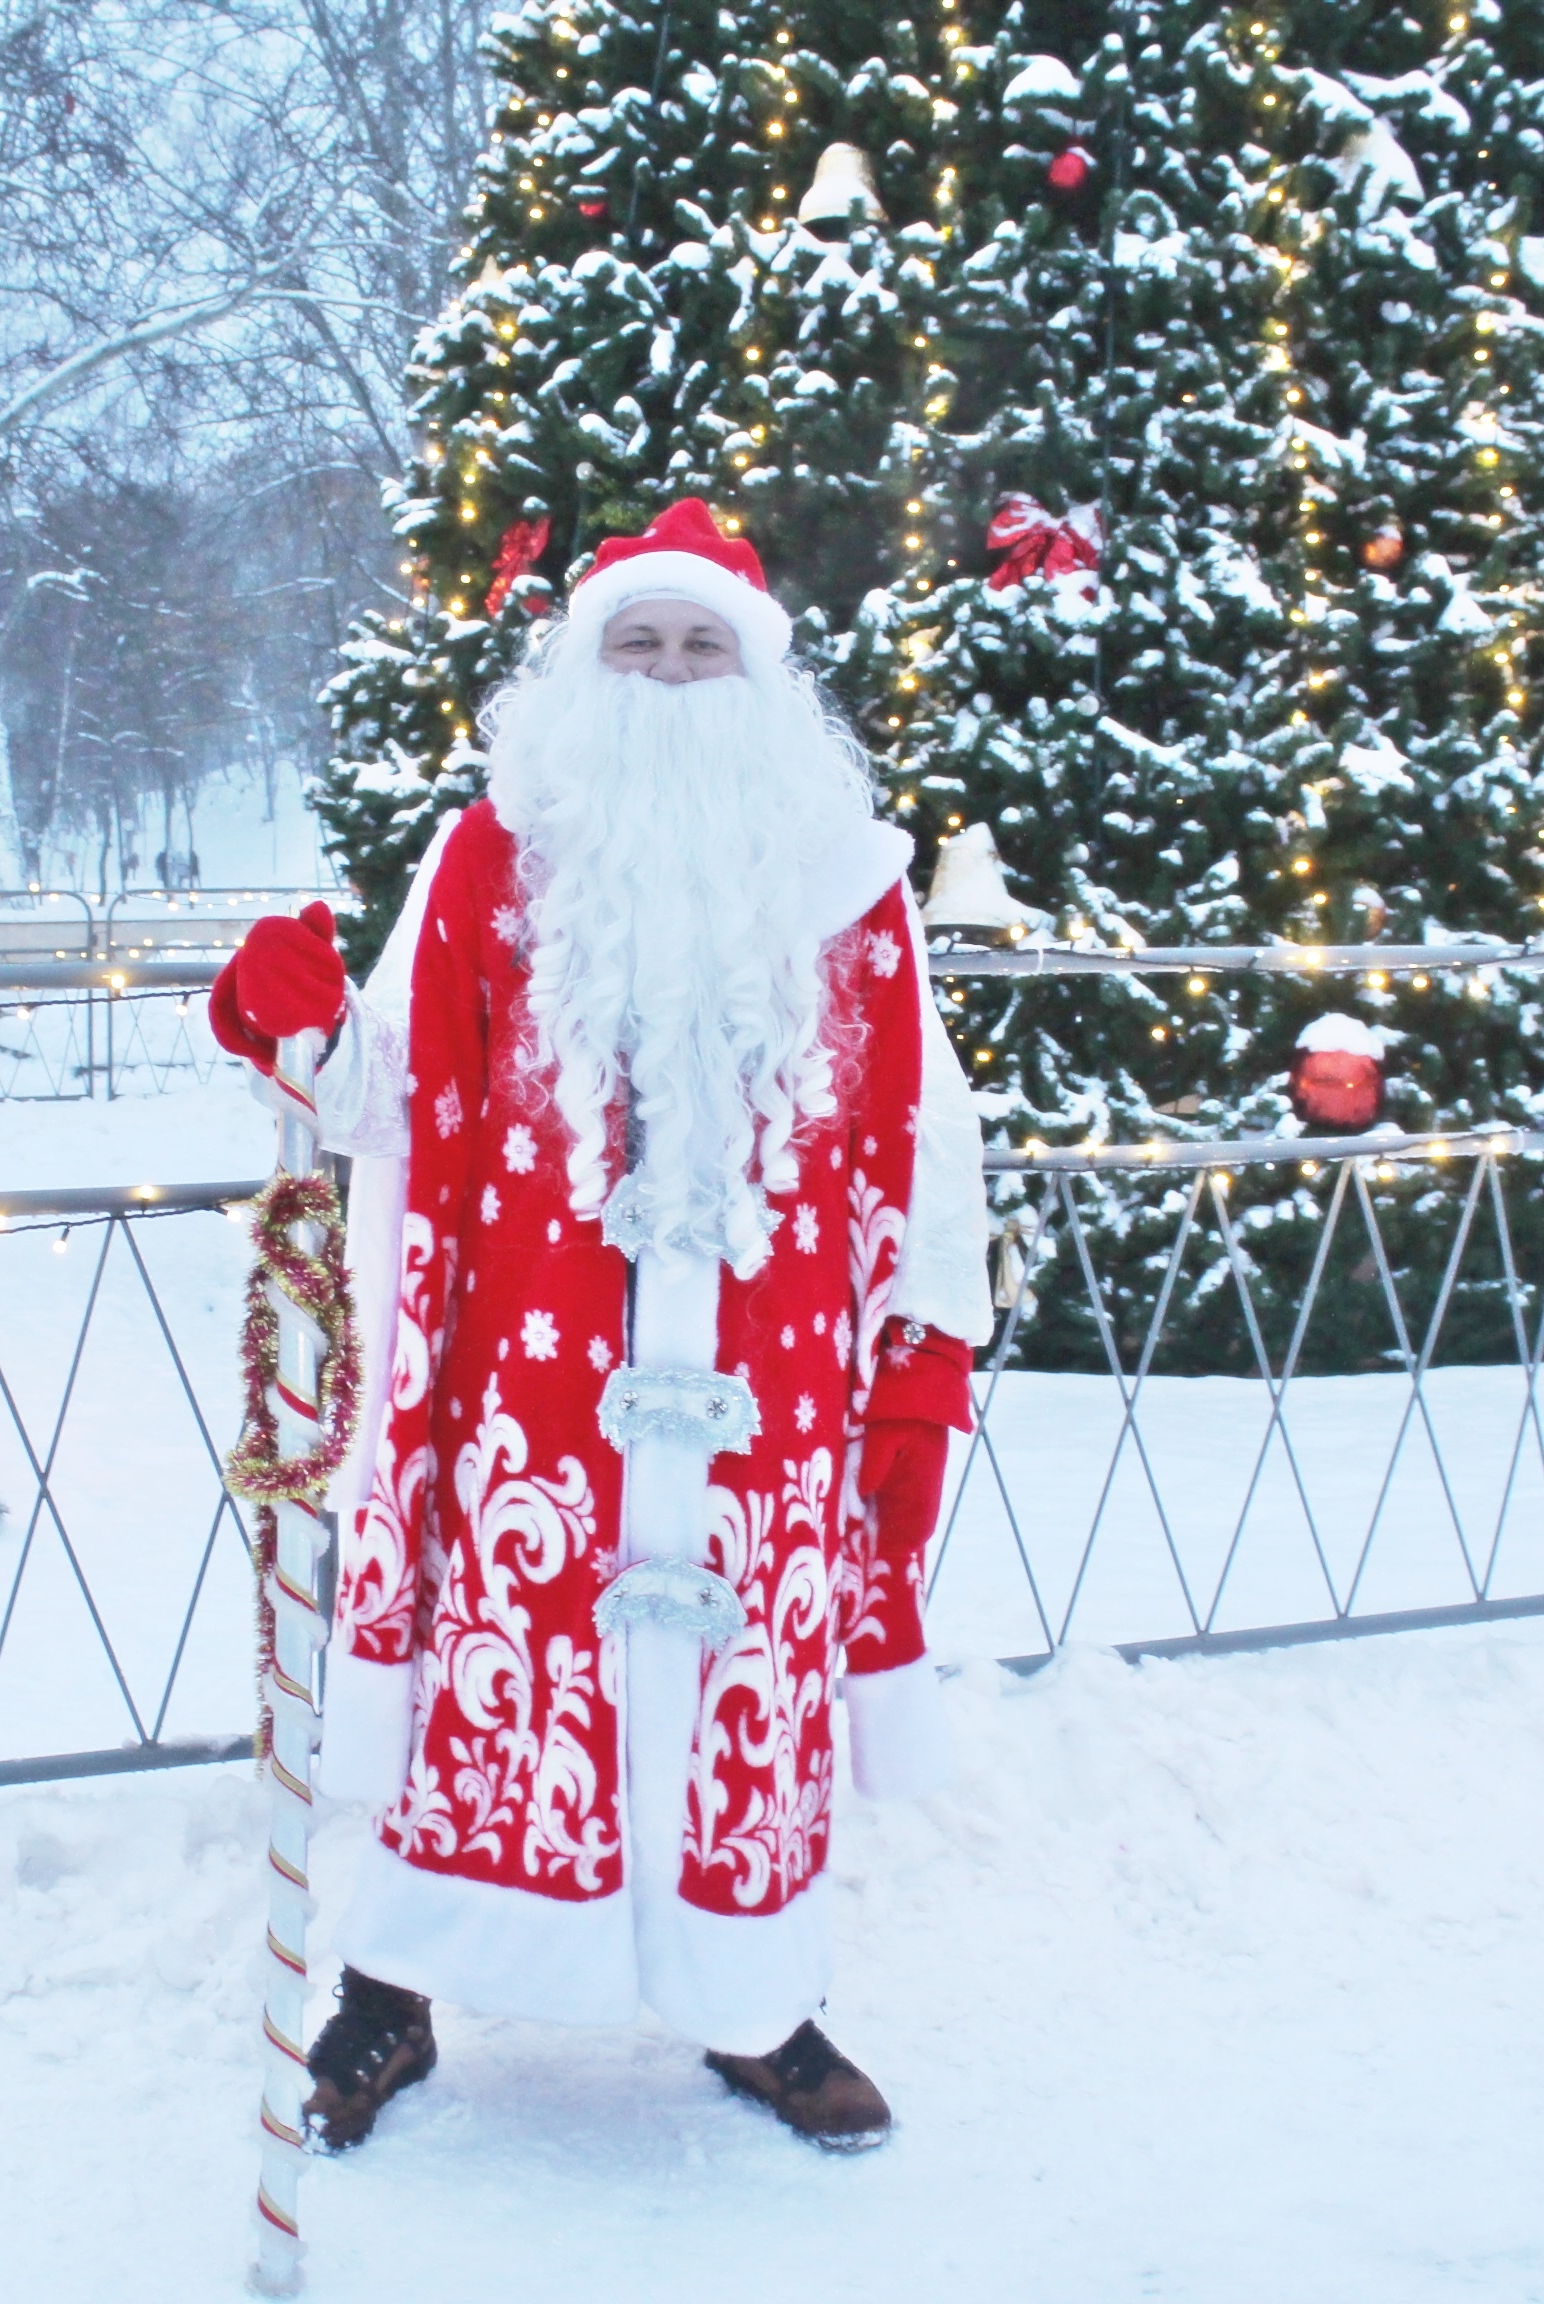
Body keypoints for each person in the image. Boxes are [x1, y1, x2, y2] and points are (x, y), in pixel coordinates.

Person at [206, 500, 991, 2155]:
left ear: (763, 679)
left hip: (768, 1403)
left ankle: (755, 2003)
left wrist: (924, 1350)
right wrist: (302, 1027)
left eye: (705, 643)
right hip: (531, 1391)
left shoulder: (853, 885)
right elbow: (399, 1105)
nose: (670, 671)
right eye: (637, 640)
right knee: (495, 1689)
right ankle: (393, 1993)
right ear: (581, 665)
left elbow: (928, 1142)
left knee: (739, 1707)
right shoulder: (490, 853)